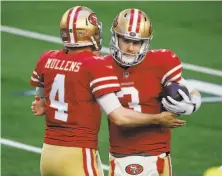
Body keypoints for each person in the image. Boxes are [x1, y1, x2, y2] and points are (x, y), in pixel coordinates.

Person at [30, 6, 186, 176]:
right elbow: (119, 116)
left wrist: (41, 102)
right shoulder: (95, 64)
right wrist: (157, 118)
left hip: (48, 154)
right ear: (92, 34)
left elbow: (40, 95)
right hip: (77, 154)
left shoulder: (47, 58)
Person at [106, 8, 202, 176]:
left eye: (136, 42)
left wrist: (190, 105)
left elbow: (189, 90)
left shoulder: (162, 62)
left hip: (160, 154)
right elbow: (120, 118)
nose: (130, 48)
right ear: (115, 37)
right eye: (125, 40)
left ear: (145, 43)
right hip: (125, 155)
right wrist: (157, 119)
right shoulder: (102, 67)